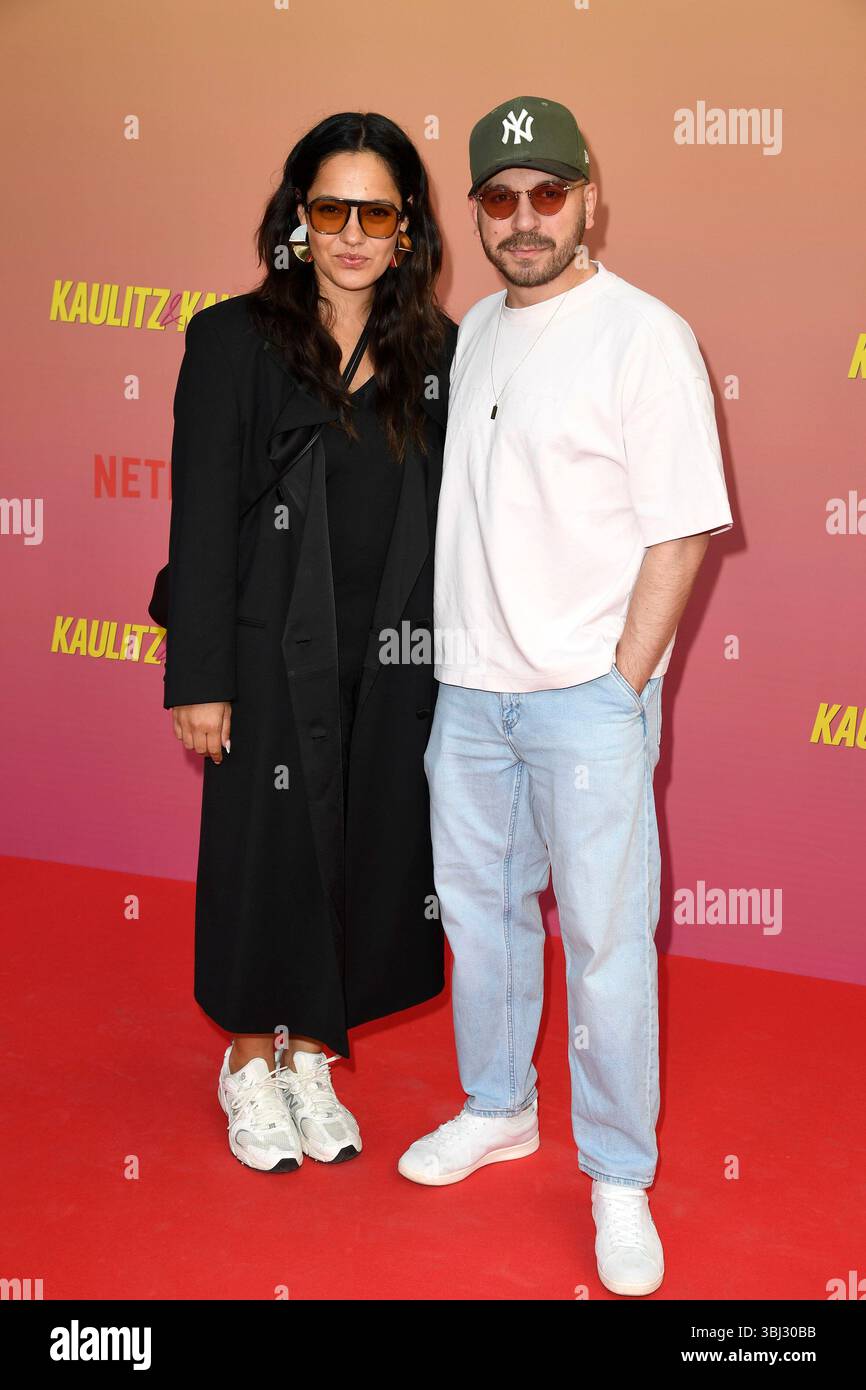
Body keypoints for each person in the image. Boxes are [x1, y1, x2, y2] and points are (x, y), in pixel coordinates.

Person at [398, 95, 734, 1297]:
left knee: (601, 945)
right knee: (480, 923)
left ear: (589, 195)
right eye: (500, 198)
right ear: (477, 215)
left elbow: (683, 530)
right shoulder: (476, 327)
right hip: (467, 694)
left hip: (584, 700)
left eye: (549, 193)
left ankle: (617, 1173)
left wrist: (618, 684)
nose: (526, 217)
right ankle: (497, 1106)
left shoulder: (644, 333)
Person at [163, 111, 456, 1174]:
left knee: (362, 851)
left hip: (387, 661)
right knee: (261, 859)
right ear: (298, 217)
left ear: (405, 227)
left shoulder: (436, 356)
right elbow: (197, 521)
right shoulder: (231, 341)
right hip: (259, 653)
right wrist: (199, 674)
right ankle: (249, 1057)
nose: (349, 233)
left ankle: (311, 1058)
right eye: (329, 207)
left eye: (374, 211)